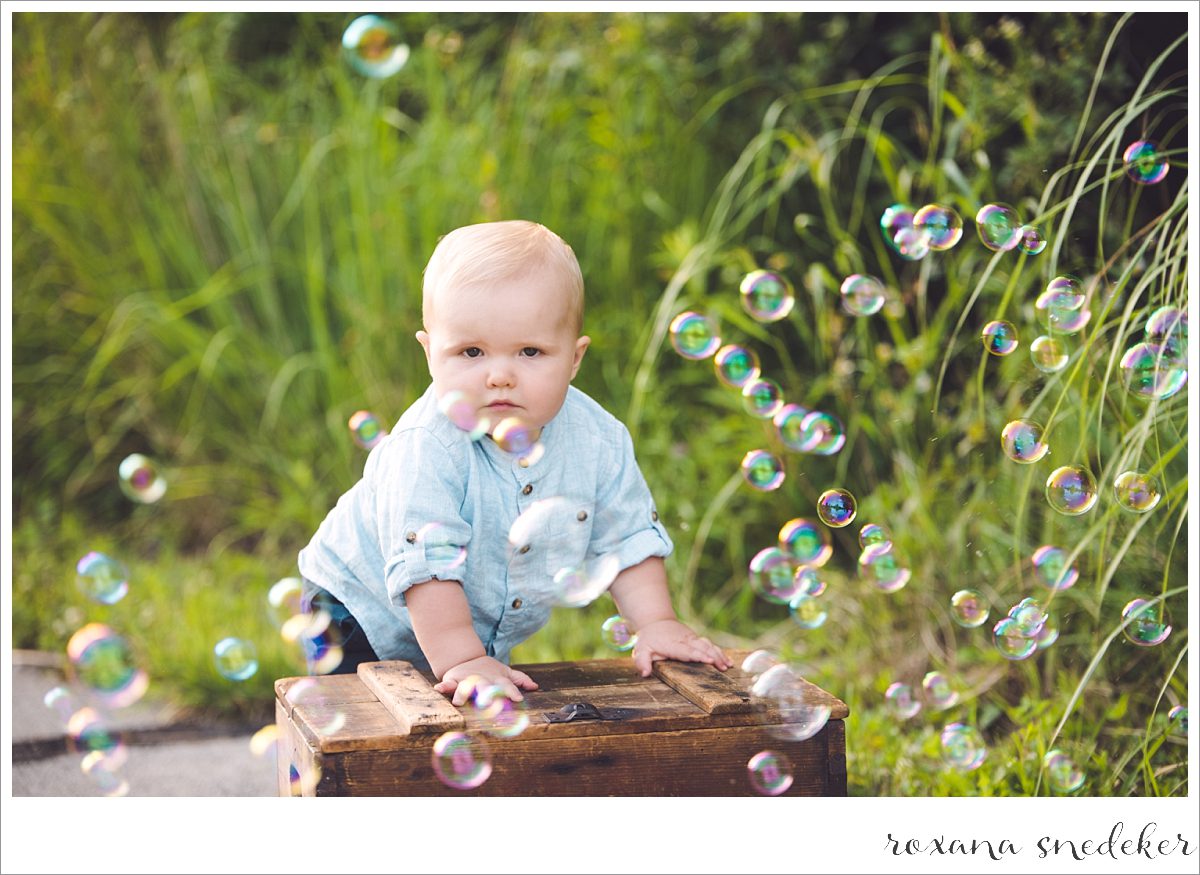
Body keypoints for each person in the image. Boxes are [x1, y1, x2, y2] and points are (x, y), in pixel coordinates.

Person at [298, 220, 730, 704]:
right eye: (471, 351)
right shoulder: (427, 447)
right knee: (362, 739)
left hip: (461, 629)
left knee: (469, 728)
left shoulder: (599, 440)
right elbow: (428, 565)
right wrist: (464, 659)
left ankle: (462, 673)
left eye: (529, 351)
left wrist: (656, 623)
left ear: (574, 358)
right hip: (358, 615)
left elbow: (626, 539)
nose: (499, 375)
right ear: (429, 354)